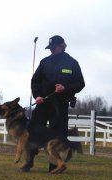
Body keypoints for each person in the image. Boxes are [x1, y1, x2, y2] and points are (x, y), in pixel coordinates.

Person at [22, 35, 85, 172]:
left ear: (62, 47)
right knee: (33, 132)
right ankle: (28, 162)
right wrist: (37, 95)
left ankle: (54, 165)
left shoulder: (72, 63)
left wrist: (65, 88)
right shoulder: (44, 62)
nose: (51, 50)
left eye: (54, 48)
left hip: (60, 105)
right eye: (50, 48)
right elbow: (35, 81)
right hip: (43, 103)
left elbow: (80, 83)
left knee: (57, 136)